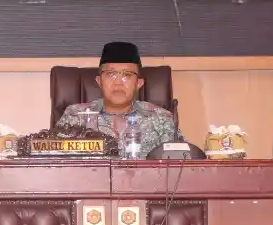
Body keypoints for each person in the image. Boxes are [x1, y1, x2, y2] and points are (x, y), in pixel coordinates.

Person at [53, 42, 181, 156]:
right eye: (111, 74)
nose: (118, 83)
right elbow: (55, 164)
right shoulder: (75, 116)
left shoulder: (162, 119)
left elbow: (182, 166)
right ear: (99, 81)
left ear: (138, 83)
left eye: (127, 75)